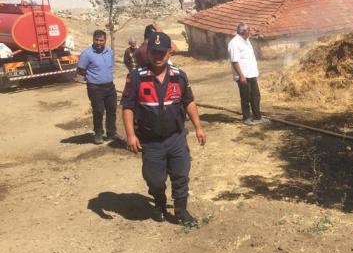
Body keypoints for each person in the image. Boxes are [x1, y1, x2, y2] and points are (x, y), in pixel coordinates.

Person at [120, 32, 207, 225]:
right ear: (148, 52)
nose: (158, 57)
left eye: (162, 53)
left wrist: (198, 127)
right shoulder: (136, 77)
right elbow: (128, 107)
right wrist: (130, 135)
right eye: (154, 52)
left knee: (181, 174)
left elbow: (189, 102)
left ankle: (181, 211)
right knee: (155, 180)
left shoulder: (179, 76)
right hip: (151, 141)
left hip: (176, 137)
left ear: (169, 53)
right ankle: (159, 202)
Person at [77, 30, 118, 145]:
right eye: (97, 40)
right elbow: (80, 70)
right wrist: (90, 78)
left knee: (112, 110)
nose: (99, 42)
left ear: (105, 40)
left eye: (101, 40)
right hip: (95, 88)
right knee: (99, 111)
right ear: (93, 40)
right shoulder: (87, 53)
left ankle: (111, 133)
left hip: (110, 86)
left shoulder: (110, 51)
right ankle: (98, 133)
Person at [228, 22, 269, 125]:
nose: (250, 32)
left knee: (256, 96)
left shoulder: (246, 41)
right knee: (245, 98)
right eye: (249, 30)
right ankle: (246, 118)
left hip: (251, 74)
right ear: (244, 31)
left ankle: (257, 117)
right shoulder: (234, 43)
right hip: (243, 76)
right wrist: (241, 76)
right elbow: (234, 61)